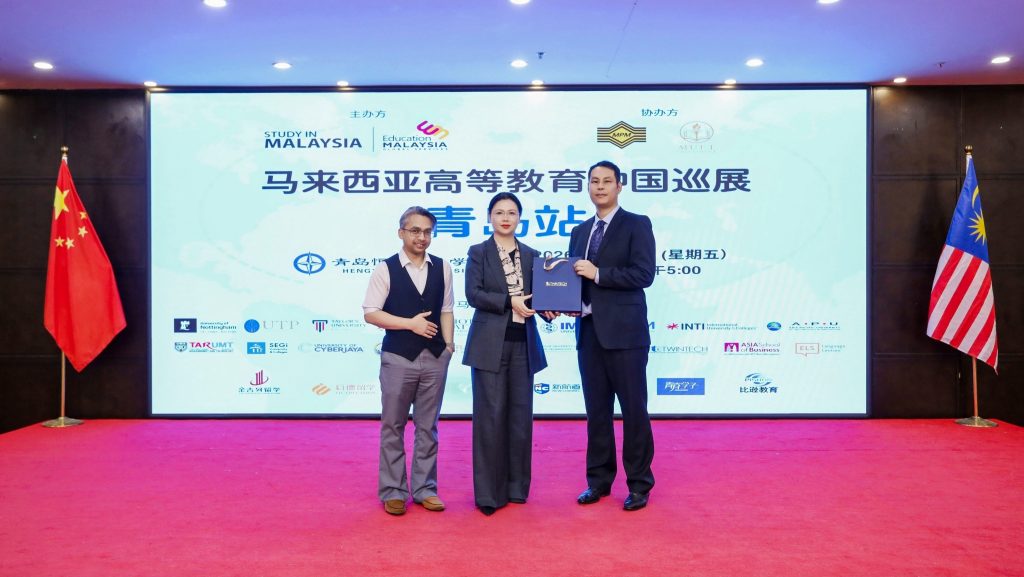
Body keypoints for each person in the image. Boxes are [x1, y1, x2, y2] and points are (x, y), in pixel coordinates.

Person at [568, 160, 656, 511]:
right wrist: (564, 303)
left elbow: (643, 274)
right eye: (594, 181)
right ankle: (598, 481)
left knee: (634, 411)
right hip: (589, 332)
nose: (600, 187)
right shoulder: (579, 231)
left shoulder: (636, 224)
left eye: (607, 181)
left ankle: (639, 484)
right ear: (588, 187)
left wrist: (599, 273)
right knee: (596, 412)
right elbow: (574, 280)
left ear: (619, 186)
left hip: (626, 335)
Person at [363, 206, 455, 516]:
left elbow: (447, 310)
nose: (422, 237)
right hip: (398, 357)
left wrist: (448, 346)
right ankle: (393, 490)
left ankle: (425, 488)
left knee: (428, 427)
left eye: (427, 231)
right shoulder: (385, 269)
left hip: (435, 357)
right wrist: (410, 324)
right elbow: (371, 313)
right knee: (394, 425)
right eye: (415, 230)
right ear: (401, 232)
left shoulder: (443, 267)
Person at [462, 192, 548, 516]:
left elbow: (538, 297)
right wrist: (509, 302)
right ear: (490, 217)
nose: (506, 218)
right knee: (490, 419)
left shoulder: (532, 255)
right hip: (489, 345)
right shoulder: (478, 252)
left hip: (523, 344)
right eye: (499, 212)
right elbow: (473, 294)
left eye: (512, 212)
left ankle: (515, 488)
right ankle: (489, 494)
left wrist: (549, 309)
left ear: (519, 218)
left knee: (520, 418)